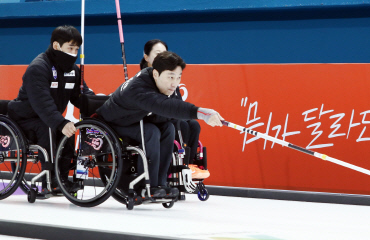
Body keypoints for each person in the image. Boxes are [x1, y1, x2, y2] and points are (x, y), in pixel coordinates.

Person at [97, 51, 223, 199]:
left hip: (138, 120)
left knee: (168, 128)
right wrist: (201, 113)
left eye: (178, 77)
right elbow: (166, 106)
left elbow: (174, 109)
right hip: (114, 123)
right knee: (151, 132)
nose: (175, 83)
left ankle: (161, 184)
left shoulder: (167, 85)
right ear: (156, 74)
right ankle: (147, 185)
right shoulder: (139, 88)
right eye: (170, 77)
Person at [8, 25, 94, 193]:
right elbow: (43, 103)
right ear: (56, 46)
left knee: (69, 131)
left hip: (48, 117)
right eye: (70, 48)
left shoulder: (73, 71)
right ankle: (50, 178)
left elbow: (81, 96)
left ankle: (62, 178)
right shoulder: (38, 68)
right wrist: (60, 123)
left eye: (77, 49)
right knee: (52, 127)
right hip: (25, 118)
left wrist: (101, 104)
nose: (74, 53)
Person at [140, 40, 208, 179]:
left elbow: (178, 103)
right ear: (146, 57)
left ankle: (189, 163)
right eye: (157, 54)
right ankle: (176, 166)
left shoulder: (170, 77)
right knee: (180, 124)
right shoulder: (143, 79)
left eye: (164, 54)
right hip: (153, 119)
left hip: (170, 115)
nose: (160, 57)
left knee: (193, 124)